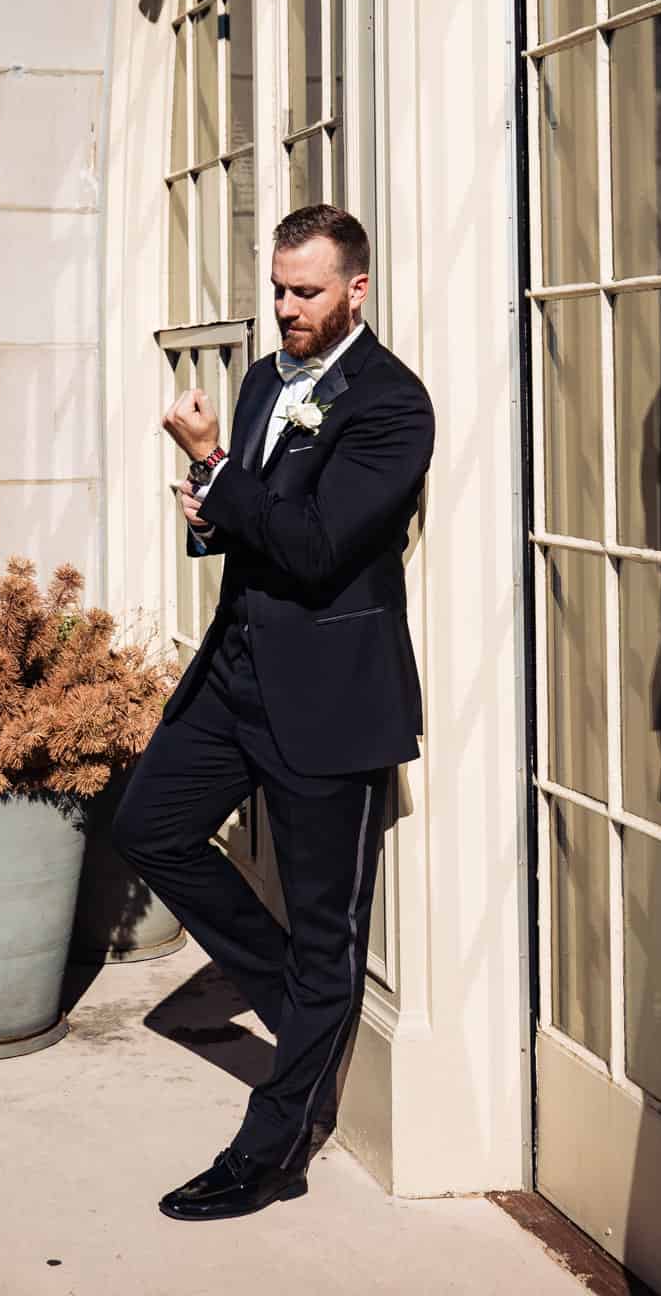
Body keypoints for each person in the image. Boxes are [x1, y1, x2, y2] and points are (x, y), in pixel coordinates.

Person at [113, 203, 435, 1223]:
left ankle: (272, 1146)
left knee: (323, 928)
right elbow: (249, 533)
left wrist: (215, 470)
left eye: (304, 291)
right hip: (231, 672)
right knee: (147, 824)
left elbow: (311, 544)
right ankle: (302, 1011)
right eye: (277, 289)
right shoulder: (261, 379)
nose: (285, 308)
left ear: (355, 289)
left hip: (330, 696)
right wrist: (205, 513)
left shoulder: (390, 405)